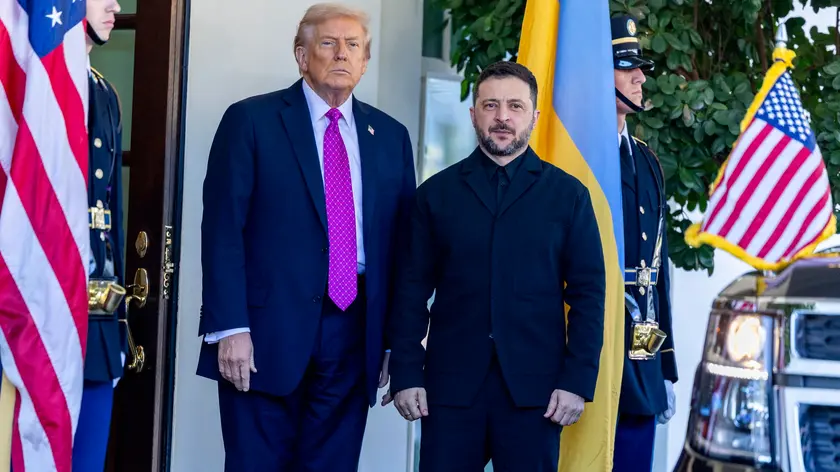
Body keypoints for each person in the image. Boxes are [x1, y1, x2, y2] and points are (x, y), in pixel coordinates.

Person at [196, 3, 417, 470]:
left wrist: (393, 340)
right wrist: (230, 327)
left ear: (365, 61)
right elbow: (222, 230)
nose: (342, 54)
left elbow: (402, 248)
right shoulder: (250, 121)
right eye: (328, 43)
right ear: (301, 55)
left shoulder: (390, 136)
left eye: (353, 45)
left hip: (354, 330)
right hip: (264, 332)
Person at [386, 60, 607, 472]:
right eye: (491, 106)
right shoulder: (435, 195)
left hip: (538, 395)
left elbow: (589, 296)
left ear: (534, 116)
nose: (502, 117)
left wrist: (577, 381)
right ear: (473, 114)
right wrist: (406, 372)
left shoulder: (569, 197)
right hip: (448, 392)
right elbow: (410, 292)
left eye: (515, 106)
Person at [610, 14, 678, 472]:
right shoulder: (575, 159)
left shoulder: (647, 161)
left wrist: (665, 365)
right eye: (625, 66)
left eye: (640, 67)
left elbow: (658, 270)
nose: (640, 77)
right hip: (587, 344)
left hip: (642, 350)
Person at [73, 0, 127, 470]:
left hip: (94, 319)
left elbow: (110, 213)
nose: (116, 6)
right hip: (33, 311)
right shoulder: (26, 82)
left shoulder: (103, 91)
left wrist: (118, 325)